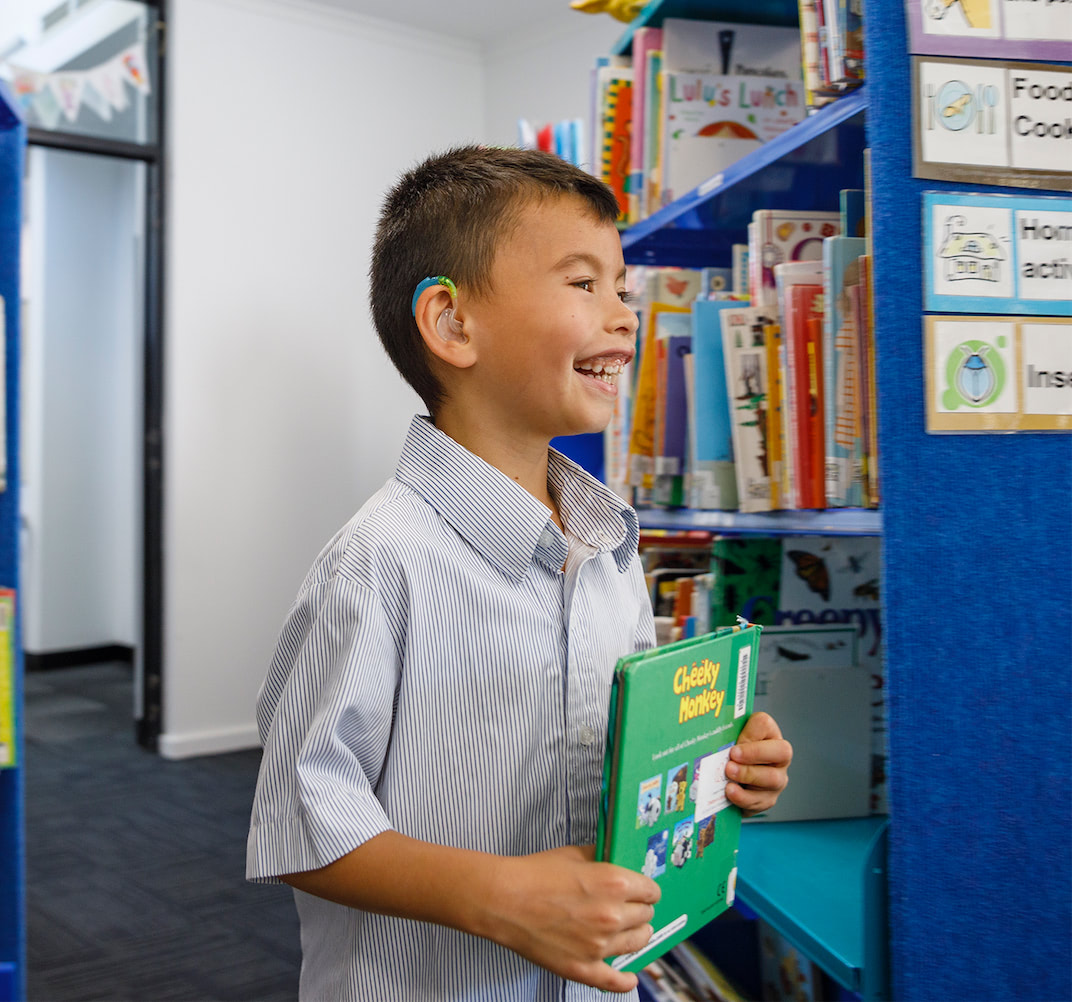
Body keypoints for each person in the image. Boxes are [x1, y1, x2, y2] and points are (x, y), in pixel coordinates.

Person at [245, 147, 792, 1001]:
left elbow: (623, 757)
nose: (623, 314)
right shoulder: (378, 563)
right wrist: (499, 899)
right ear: (454, 324)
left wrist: (711, 766)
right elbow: (302, 825)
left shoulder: (611, 545)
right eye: (584, 284)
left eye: (623, 287)